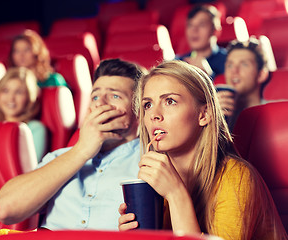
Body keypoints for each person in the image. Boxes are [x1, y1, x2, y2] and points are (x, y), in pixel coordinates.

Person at [118, 60, 287, 239]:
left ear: (204, 114)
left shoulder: (237, 177)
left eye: (170, 101)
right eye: (147, 105)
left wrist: (176, 195)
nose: (154, 115)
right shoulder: (159, 182)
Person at [0, 59, 144, 230]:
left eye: (114, 95)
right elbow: (5, 210)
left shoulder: (153, 159)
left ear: (139, 111)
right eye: (95, 96)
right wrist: (81, 151)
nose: (99, 103)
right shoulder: (59, 158)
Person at [0, 67, 47, 163]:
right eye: (5, 91)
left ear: (29, 97)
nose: (11, 98)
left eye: (19, 92)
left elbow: (29, 167)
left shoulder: (35, 129)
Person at [217, 37, 270, 131]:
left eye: (244, 64)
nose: (234, 71)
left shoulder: (277, 113)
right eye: (230, 65)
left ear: (261, 75)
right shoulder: (217, 112)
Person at [176, 4, 226, 79]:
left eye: (202, 25)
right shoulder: (178, 62)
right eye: (190, 25)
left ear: (215, 31)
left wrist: (208, 75)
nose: (194, 30)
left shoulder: (229, 61)